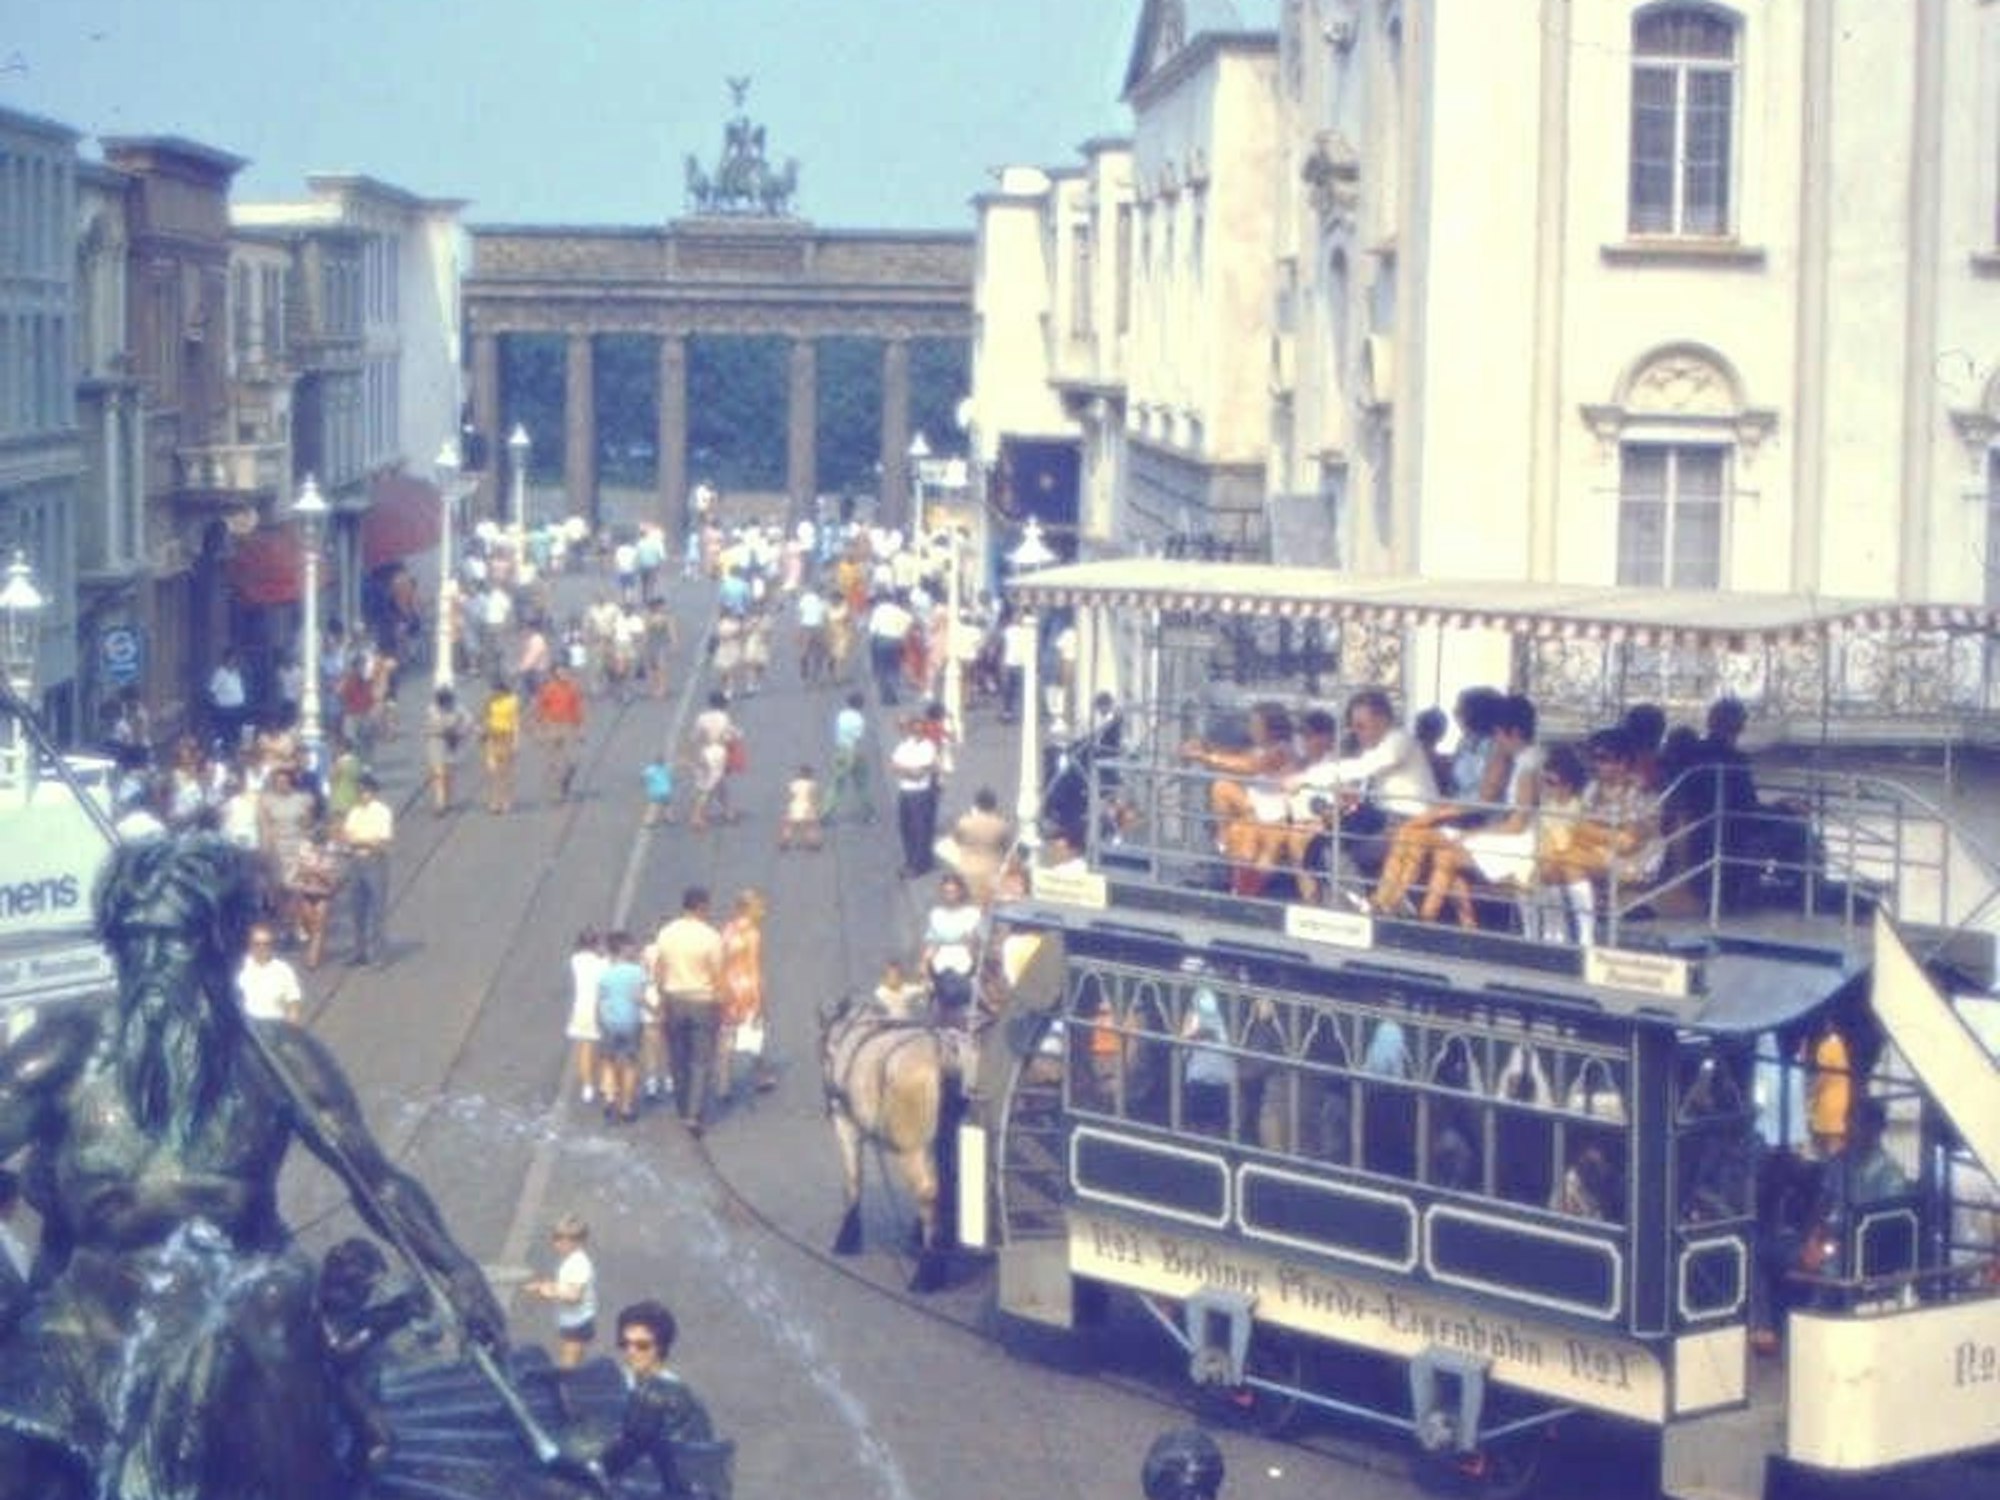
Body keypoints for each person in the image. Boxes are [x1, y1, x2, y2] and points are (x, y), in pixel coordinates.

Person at [0, 836, 507, 1500]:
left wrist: (454, 1270)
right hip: (91, 1311)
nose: (152, 963)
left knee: (246, 1342)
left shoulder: (280, 1066)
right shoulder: (61, 1055)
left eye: (174, 940)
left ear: (223, 944)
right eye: (136, 940)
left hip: (239, 1303)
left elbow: (375, 1183)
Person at [589, 1300, 720, 1497]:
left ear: (660, 1347)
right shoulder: (620, 1382)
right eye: (625, 1344)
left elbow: (693, 1460)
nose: (631, 1352)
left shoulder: (672, 1396)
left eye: (642, 1345)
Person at [651, 887, 725, 1137]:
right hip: (702, 1001)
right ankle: (694, 1114)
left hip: (674, 999)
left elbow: (659, 969)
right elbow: (717, 975)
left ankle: (682, 1105)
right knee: (701, 1060)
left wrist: (661, 998)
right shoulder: (711, 937)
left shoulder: (667, 933)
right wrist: (722, 1003)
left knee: (678, 1056)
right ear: (702, 907)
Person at [717, 890, 772, 1100]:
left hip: (728, 986)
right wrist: (760, 999)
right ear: (748, 909)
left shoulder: (728, 930)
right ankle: (760, 1075)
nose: (764, 910)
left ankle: (723, 1084)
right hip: (747, 987)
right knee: (755, 1031)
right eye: (759, 907)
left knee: (726, 1034)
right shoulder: (752, 934)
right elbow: (754, 966)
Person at [523, 1214, 597, 1370]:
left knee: (568, 1365)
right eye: (555, 1237)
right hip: (572, 1319)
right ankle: (576, 1382)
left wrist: (547, 1292)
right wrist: (544, 1285)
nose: (555, 1243)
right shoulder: (571, 1261)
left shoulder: (579, 1264)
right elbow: (566, 1286)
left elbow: (574, 1296)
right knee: (575, 1361)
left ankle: (568, 1388)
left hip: (577, 1322)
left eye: (560, 1238)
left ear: (577, 1242)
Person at [340, 773, 394, 967]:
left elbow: (382, 841)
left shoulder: (382, 812)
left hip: (375, 862)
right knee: (357, 909)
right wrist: (361, 841)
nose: (362, 794)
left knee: (377, 910)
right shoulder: (354, 812)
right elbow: (345, 836)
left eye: (365, 791)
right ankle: (359, 952)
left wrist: (359, 841)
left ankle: (380, 954)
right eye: (359, 791)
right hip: (355, 862)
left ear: (373, 792)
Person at [596, 932, 648, 1124]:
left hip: (609, 1022)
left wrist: (600, 1019)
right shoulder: (638, 972)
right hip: (631, 1022)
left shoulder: (606, 974)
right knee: (630, 1064)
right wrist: (654, 1009)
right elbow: (638, 998)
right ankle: (626, 1106)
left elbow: (600, 999)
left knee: (608, 1061)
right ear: (625, 949)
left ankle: (610, 1098)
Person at [922, 873, 985, 1028]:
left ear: (961, 891)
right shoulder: (936, 915)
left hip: (964, 958)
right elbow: (932, 943)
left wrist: (973, 947)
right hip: (941, 959)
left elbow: (977, 942)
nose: (950, 895)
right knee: (936, 982)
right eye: (946, 892)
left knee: (964, 984)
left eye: (953, 891)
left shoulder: (972, 914)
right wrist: (924, 964)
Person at [938, 786, 1012, 904]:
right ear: (994, 806)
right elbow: (1006, 847)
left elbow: (956, 840)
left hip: (966, 871)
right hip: (991, 872)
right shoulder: (1002, 826)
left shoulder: (964, 822)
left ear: (976, 805)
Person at [890, 715, 942, 879]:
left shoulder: (929, 747)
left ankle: (918, 866)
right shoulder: (904, 745)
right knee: (906, 828)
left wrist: (904, 769)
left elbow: (920, 773)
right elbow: (893, 766)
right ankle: (911, 860)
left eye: (920, 730)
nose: (917, 732)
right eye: (915, 729)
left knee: (921, 830)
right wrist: (908, 770)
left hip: (921, 793)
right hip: (905, 792)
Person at [534, 661, 587, 804]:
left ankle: (564, 786)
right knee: (555, 762)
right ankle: (556, 792)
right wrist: (539, 730)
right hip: (552, 725)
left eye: (565, 671)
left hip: (568, 726)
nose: (564, 674)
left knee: (573, 762)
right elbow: (540, 708)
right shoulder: (549, 688)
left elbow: (578, 709)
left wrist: (581, 729)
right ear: (555, 674)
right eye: (560, 672)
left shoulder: (573, 688)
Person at [565, 928, 607, 1106]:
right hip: (600, 1007)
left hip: (581, 1007)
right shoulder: (602, 963)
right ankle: (606, 1083)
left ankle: (587, 1085)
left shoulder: (575, 960)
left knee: (584, 1048)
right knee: (605, 1049)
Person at [236, 921, 305, 1024]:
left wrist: (292, 1016)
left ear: (272, 946)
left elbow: (294, 997)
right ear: (249, 945)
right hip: (246, 1025)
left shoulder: (283, 969)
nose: (261, 948)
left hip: (274, 1023)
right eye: (257, 944)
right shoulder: (239, 968)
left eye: (266, 944)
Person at [822, 691, 875, 825]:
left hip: (841, 751)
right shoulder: (859, 719)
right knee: (862, 784)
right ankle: (868, 813)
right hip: (854, 752)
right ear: (861, 705)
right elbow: (858, 738)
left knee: (837, 784)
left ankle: (826, 812)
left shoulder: (841, 715)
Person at [424, 685, 472, 815]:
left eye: (446, 701)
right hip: (436, 741)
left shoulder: (458, 707)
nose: (444, 705)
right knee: (438, 774)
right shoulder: (432, 709)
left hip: (452, 742)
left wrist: (461, 732)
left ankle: (447, 798)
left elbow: (469, 721)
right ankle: (440, 803)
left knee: (448, 774)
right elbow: (430, 726)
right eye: (442, 701)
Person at [481, 677, 521, 814]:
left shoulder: (512, 701)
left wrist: (516, 741)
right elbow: (485, 720)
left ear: (503, 690)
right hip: (493, 737)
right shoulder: (489, 702)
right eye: (493, 691)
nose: (494, 694)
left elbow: (515, 721)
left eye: (496, 691)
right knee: (493, 772)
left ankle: (506, 801)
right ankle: (495, 802)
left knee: (506, 772)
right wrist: (485, 740)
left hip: (507, 737)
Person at [778, 763, 823, 851]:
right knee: (810, 827)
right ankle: (813, 843)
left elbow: (791, 795)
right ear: (810, 774)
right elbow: (814, 797)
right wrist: (817, 808)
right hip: (808, 808)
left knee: (789, 826)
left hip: (795, 807)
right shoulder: (812, 784)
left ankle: (785, 841)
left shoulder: (794, 784)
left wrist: (788, 809)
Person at [642, 752, 677, 827]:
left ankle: (649, 821)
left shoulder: (650, 770)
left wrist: (648, 784)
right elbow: (671, 777)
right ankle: (669, 818)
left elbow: (645, 777)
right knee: (667, 805)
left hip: (655, 792)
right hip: (665, 791)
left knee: (653, 806)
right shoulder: (666, 768)